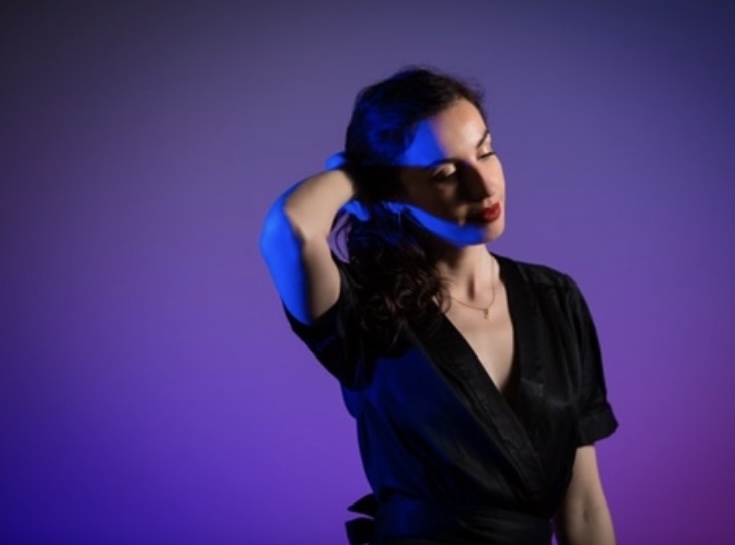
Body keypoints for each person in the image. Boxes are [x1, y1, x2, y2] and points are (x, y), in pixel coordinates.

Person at [259, 67, 618, 545]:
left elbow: (585, 507)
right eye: (446, 174)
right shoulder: (365, 307)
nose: (484, 186)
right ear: (393, 193)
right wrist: (357, 177)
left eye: (485, 152)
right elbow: (290, 229)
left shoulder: (556, 298)